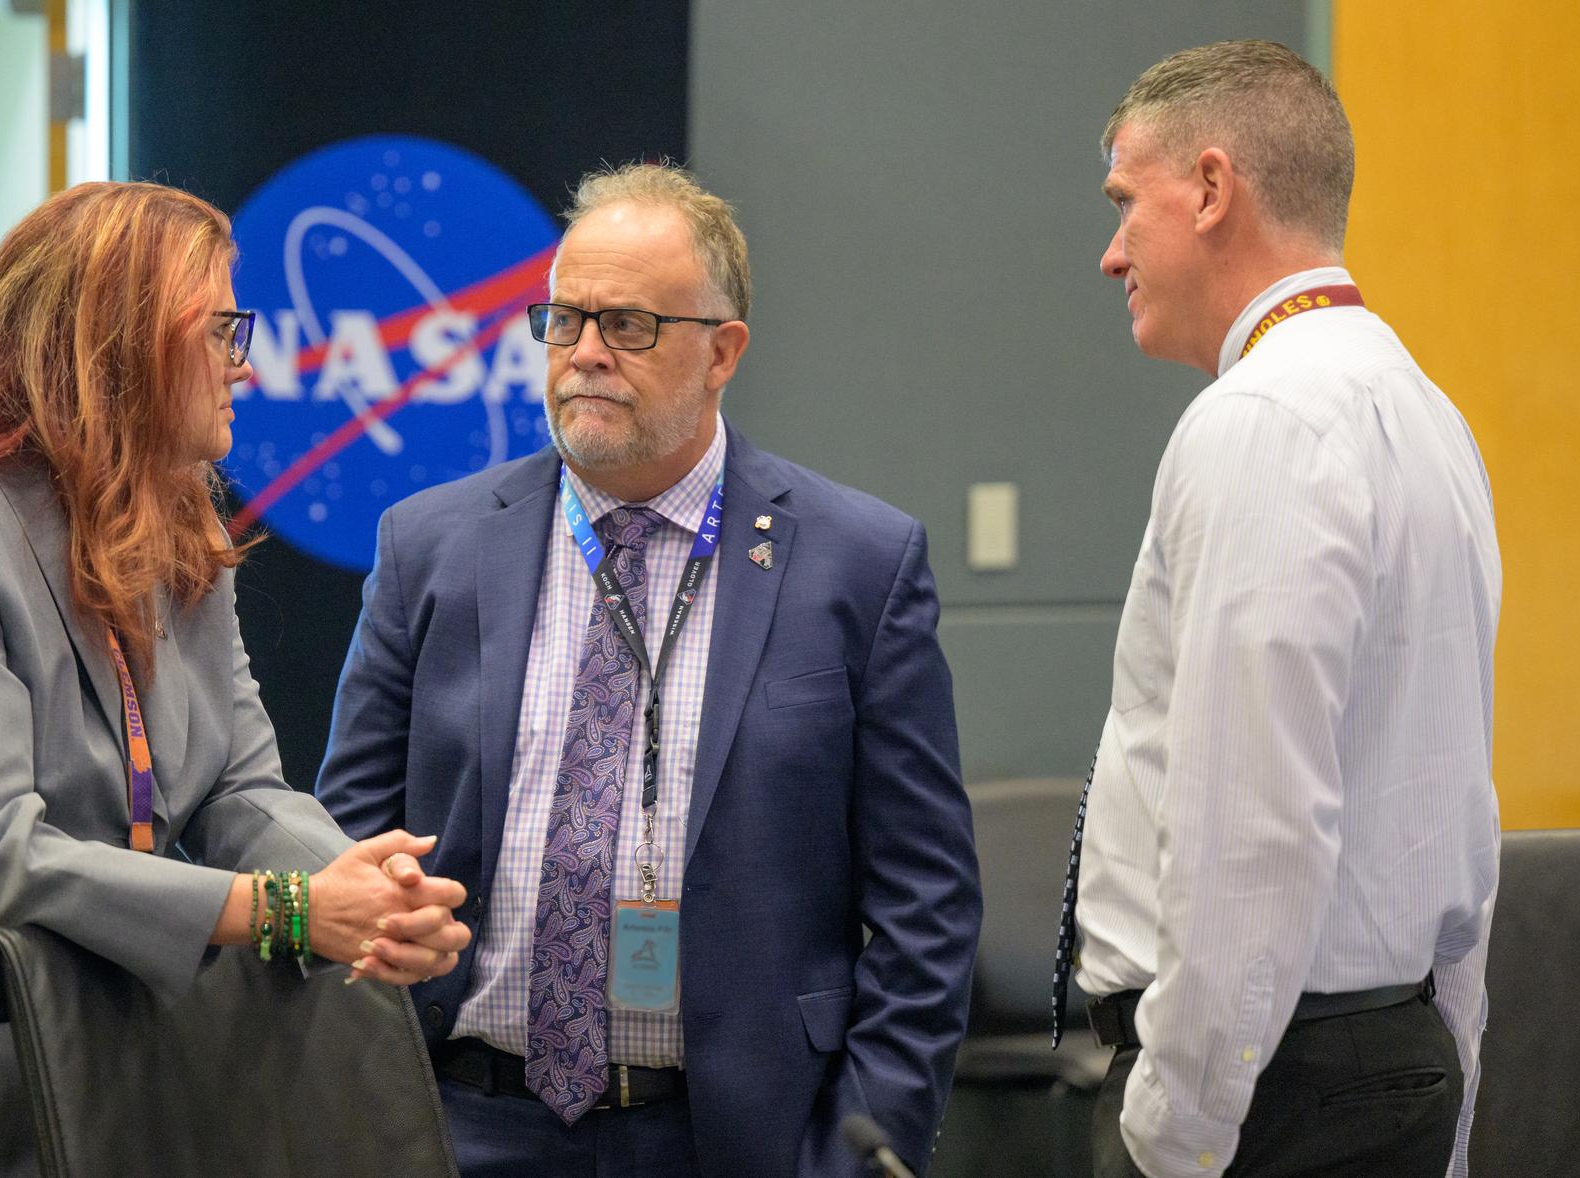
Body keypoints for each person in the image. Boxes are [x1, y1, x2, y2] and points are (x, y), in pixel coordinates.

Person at [0, 181, 471, 1177]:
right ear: (116, 343)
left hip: (78, 1068)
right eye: (221, 329)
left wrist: (353, 888)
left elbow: (240, 785)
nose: (245, 363)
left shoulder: (177, 517)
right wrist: (285, 910)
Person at [316, 162, 982, 1178]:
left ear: (722, 351)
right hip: (459, 1121)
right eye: (563, 319)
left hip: (732, 1139)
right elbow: (346, 842)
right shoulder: (430, 548)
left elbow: (922, 907)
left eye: (627, 325)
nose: (584, 353)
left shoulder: (855, 564)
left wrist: (858, 1151)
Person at [1056, 40, 1502, 1178]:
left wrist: (1173, 1138)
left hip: (1260, 1100)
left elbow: (1248, 835)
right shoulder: (1429, 419)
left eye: (1124, 203)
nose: (1109, 255)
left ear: (1209, 189)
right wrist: (1448, 1075)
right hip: (1378, 1059)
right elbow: (1458, 815)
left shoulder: (1260, 421)